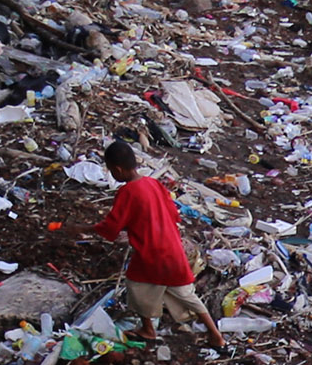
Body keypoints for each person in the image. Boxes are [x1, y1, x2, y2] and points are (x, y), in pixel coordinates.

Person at [88, 139, 224, 349]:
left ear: (117, 169)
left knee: (136, 285)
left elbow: (111, 227)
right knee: (186, 294)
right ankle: (214, 334)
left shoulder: (127, 192)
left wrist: (84, 229)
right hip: (171, 247)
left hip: (151, 252)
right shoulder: (154, 183)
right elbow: (173, 213)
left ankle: (149, 328)